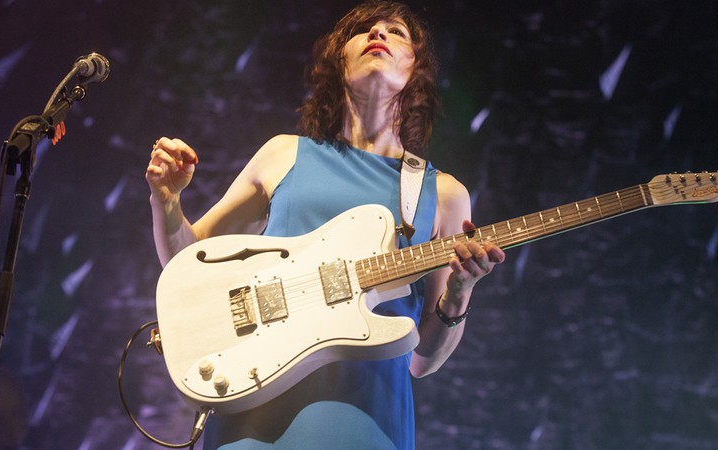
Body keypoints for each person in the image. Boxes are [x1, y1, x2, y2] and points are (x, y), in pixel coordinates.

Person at [145, 2, 505, 448]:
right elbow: (187, 263)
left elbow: (423, 362)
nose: (378, 33)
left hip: (365, 417)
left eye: (396, 31)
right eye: (363, 29)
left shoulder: (445, 193)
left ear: (417, 69)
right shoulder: (283, 153)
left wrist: (460, 292)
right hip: (254, 408)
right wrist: (167, 201)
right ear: (339, 60)